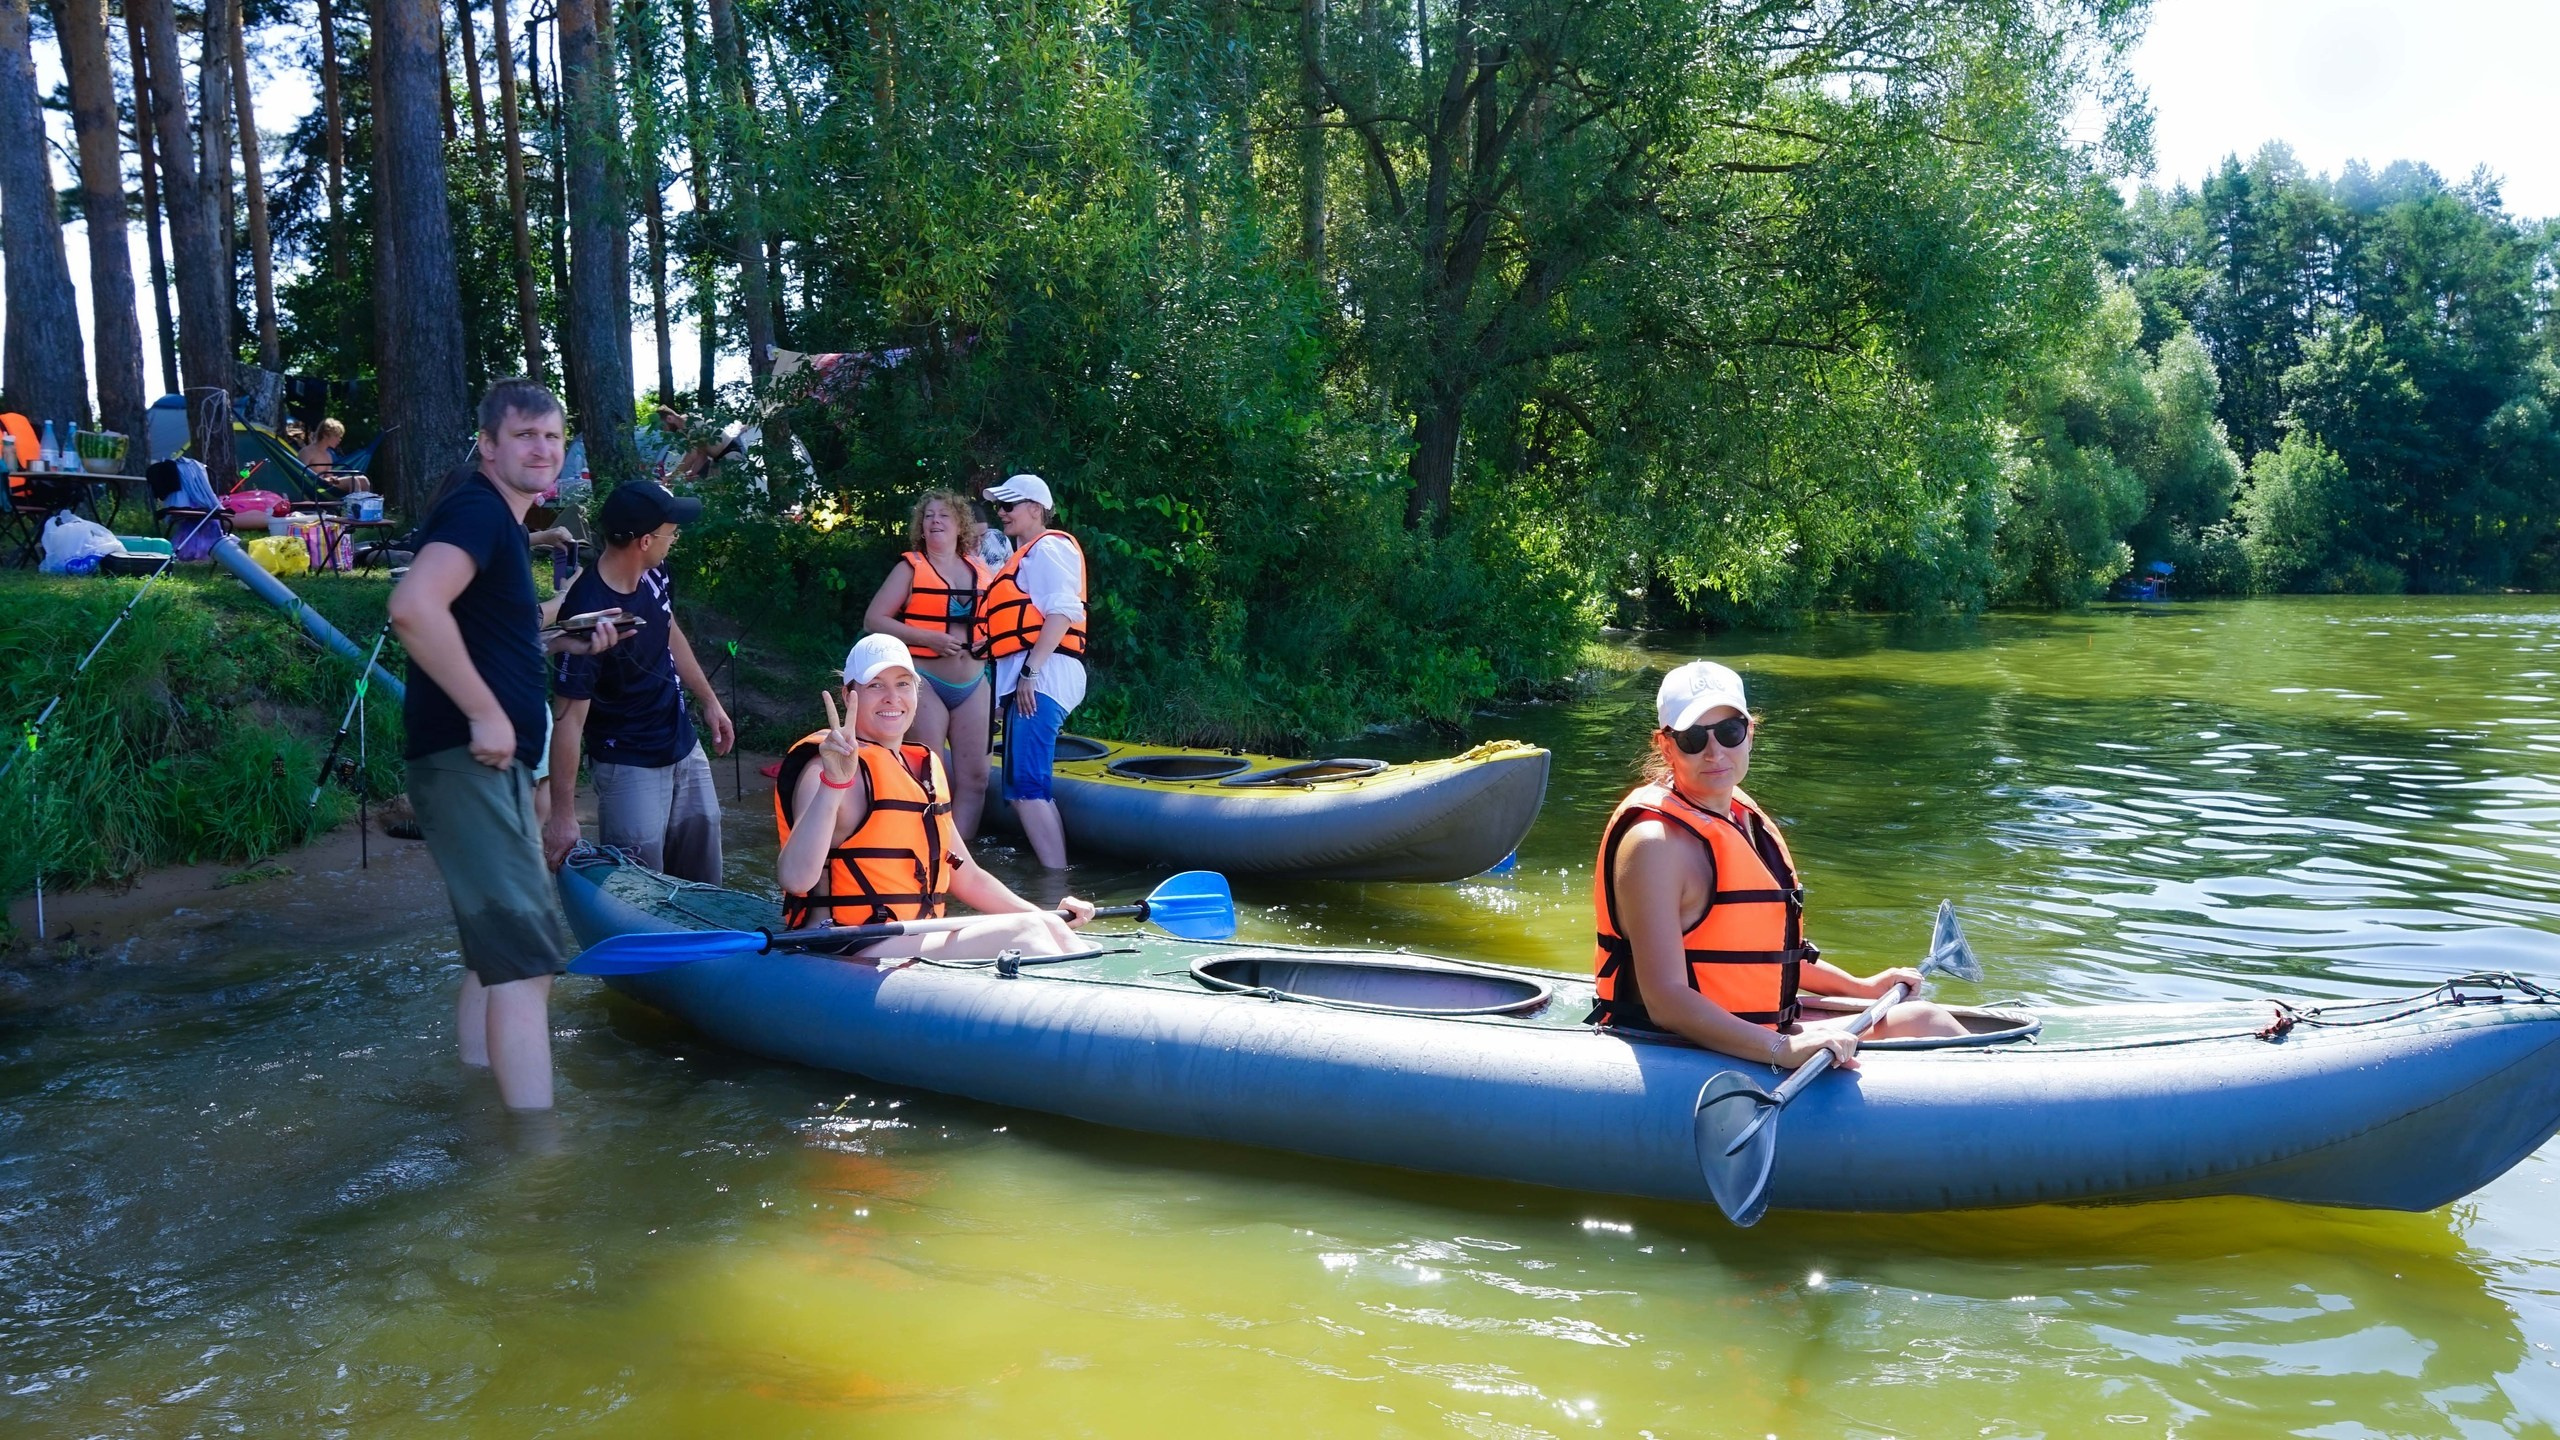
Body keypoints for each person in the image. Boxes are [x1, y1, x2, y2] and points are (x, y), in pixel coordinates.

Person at [389, 378, 625, 1112]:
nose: (542, 448)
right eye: (525, 435)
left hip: (487, 763)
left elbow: (484, 631)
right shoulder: (478, 511)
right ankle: (537, 1159)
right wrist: (486, 712)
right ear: (488, 445)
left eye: (552, 437)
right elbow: (411, 607)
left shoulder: (495, 522)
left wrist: (561, 638)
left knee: (494, 959)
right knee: (527, 965)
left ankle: (473, 1097)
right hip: (472, 757)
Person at [1591, 660, 1965, 1069]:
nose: (1714, 752)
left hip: (1753, 1025)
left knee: (1926, 1019)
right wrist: (1781, 1050)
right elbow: (1665, 1000)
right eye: (1693, 738)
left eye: (1729, 732)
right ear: (1666, 746)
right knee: (1925, 1023)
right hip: (1678, 1044)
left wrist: (1862, 987)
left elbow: (1768, 954)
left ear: (1750, 734)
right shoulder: (1653, 845)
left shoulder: (1737, 816)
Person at [776, 634, 1096, 959]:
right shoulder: (825, 770)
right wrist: (834, 784)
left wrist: (1045, 916)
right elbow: (795, 878)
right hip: (844, 944)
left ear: (916, 692)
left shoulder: (923, 769)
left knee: (1043, 927)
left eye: (902, 684)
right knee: (1025, 933)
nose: (892, 697)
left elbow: (968, 878)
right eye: (875, 685)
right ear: (849, 695)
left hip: (911, 937)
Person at [543, 480, 737, 881]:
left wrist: (709, 700)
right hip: (627, 763)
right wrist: (562, 817)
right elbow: (567, 722)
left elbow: (668, 627)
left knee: (705, 880)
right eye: (670, 529)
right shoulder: (588, 612)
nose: (675, 535)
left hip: (682, 744)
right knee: (640, 886)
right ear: (645, 540)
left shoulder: (656, 571)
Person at [860, 490, 995, 837]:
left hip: (974, 683)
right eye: (929, 516)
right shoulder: (910, 567)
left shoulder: (981, 570)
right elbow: (874, 620)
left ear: (960, 525)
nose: (935, 521)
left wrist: (991, 639)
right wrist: (927, 638)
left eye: (944, 516)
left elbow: (1000, 623)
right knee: (931, 773)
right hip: (926, 680)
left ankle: (960, 860)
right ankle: (927, 849)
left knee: (976, 779)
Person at [977, 473, 1087, 869]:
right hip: (1032, 677)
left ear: (1036, 509)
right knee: (1024, 785)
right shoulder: (1024, 556)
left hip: (1045, 676)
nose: (1001, 513)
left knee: (1026, 786)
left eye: (1010, 505)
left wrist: (1029, 673)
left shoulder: (1049, 548)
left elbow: (1062, 611)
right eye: (999, 506)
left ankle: (1057, 885)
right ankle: (1055, 877)